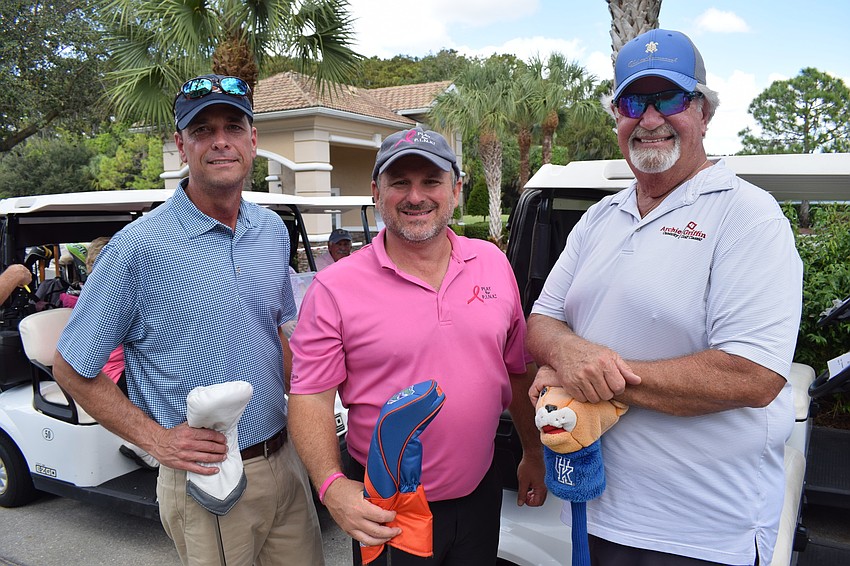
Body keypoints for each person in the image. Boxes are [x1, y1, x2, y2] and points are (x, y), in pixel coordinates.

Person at [526, 29, 803, 565]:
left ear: (703, 112)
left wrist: (595, 374)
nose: (649, 118)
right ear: (617, 116)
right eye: (633, 101)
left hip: (699, 533)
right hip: (597, 508)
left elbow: (752, 375)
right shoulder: (601, 217)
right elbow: (542, 319)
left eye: (669, 99)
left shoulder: (748, 216)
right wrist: (570, 355)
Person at [52, 74, 324, 565]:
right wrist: (158, 442)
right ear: (182, 145)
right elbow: (71, 368)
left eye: (233, 127)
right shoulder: (137, 249)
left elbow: (282, 336)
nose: (220, 141)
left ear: (253, 139)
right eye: (202, 131)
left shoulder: (270, 231)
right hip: (210, 476)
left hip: (286, 462)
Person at [288, 126, 547, 566]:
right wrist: (332, 486)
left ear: (456, 188)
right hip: (389, 506)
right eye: (399, 182)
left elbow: (517, 368)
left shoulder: (492, 263)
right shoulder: (335, 287)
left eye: (431, 181)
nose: (416, 196)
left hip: (480, 491)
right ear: (376, 191)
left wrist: (533, 453)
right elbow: (311, 397)